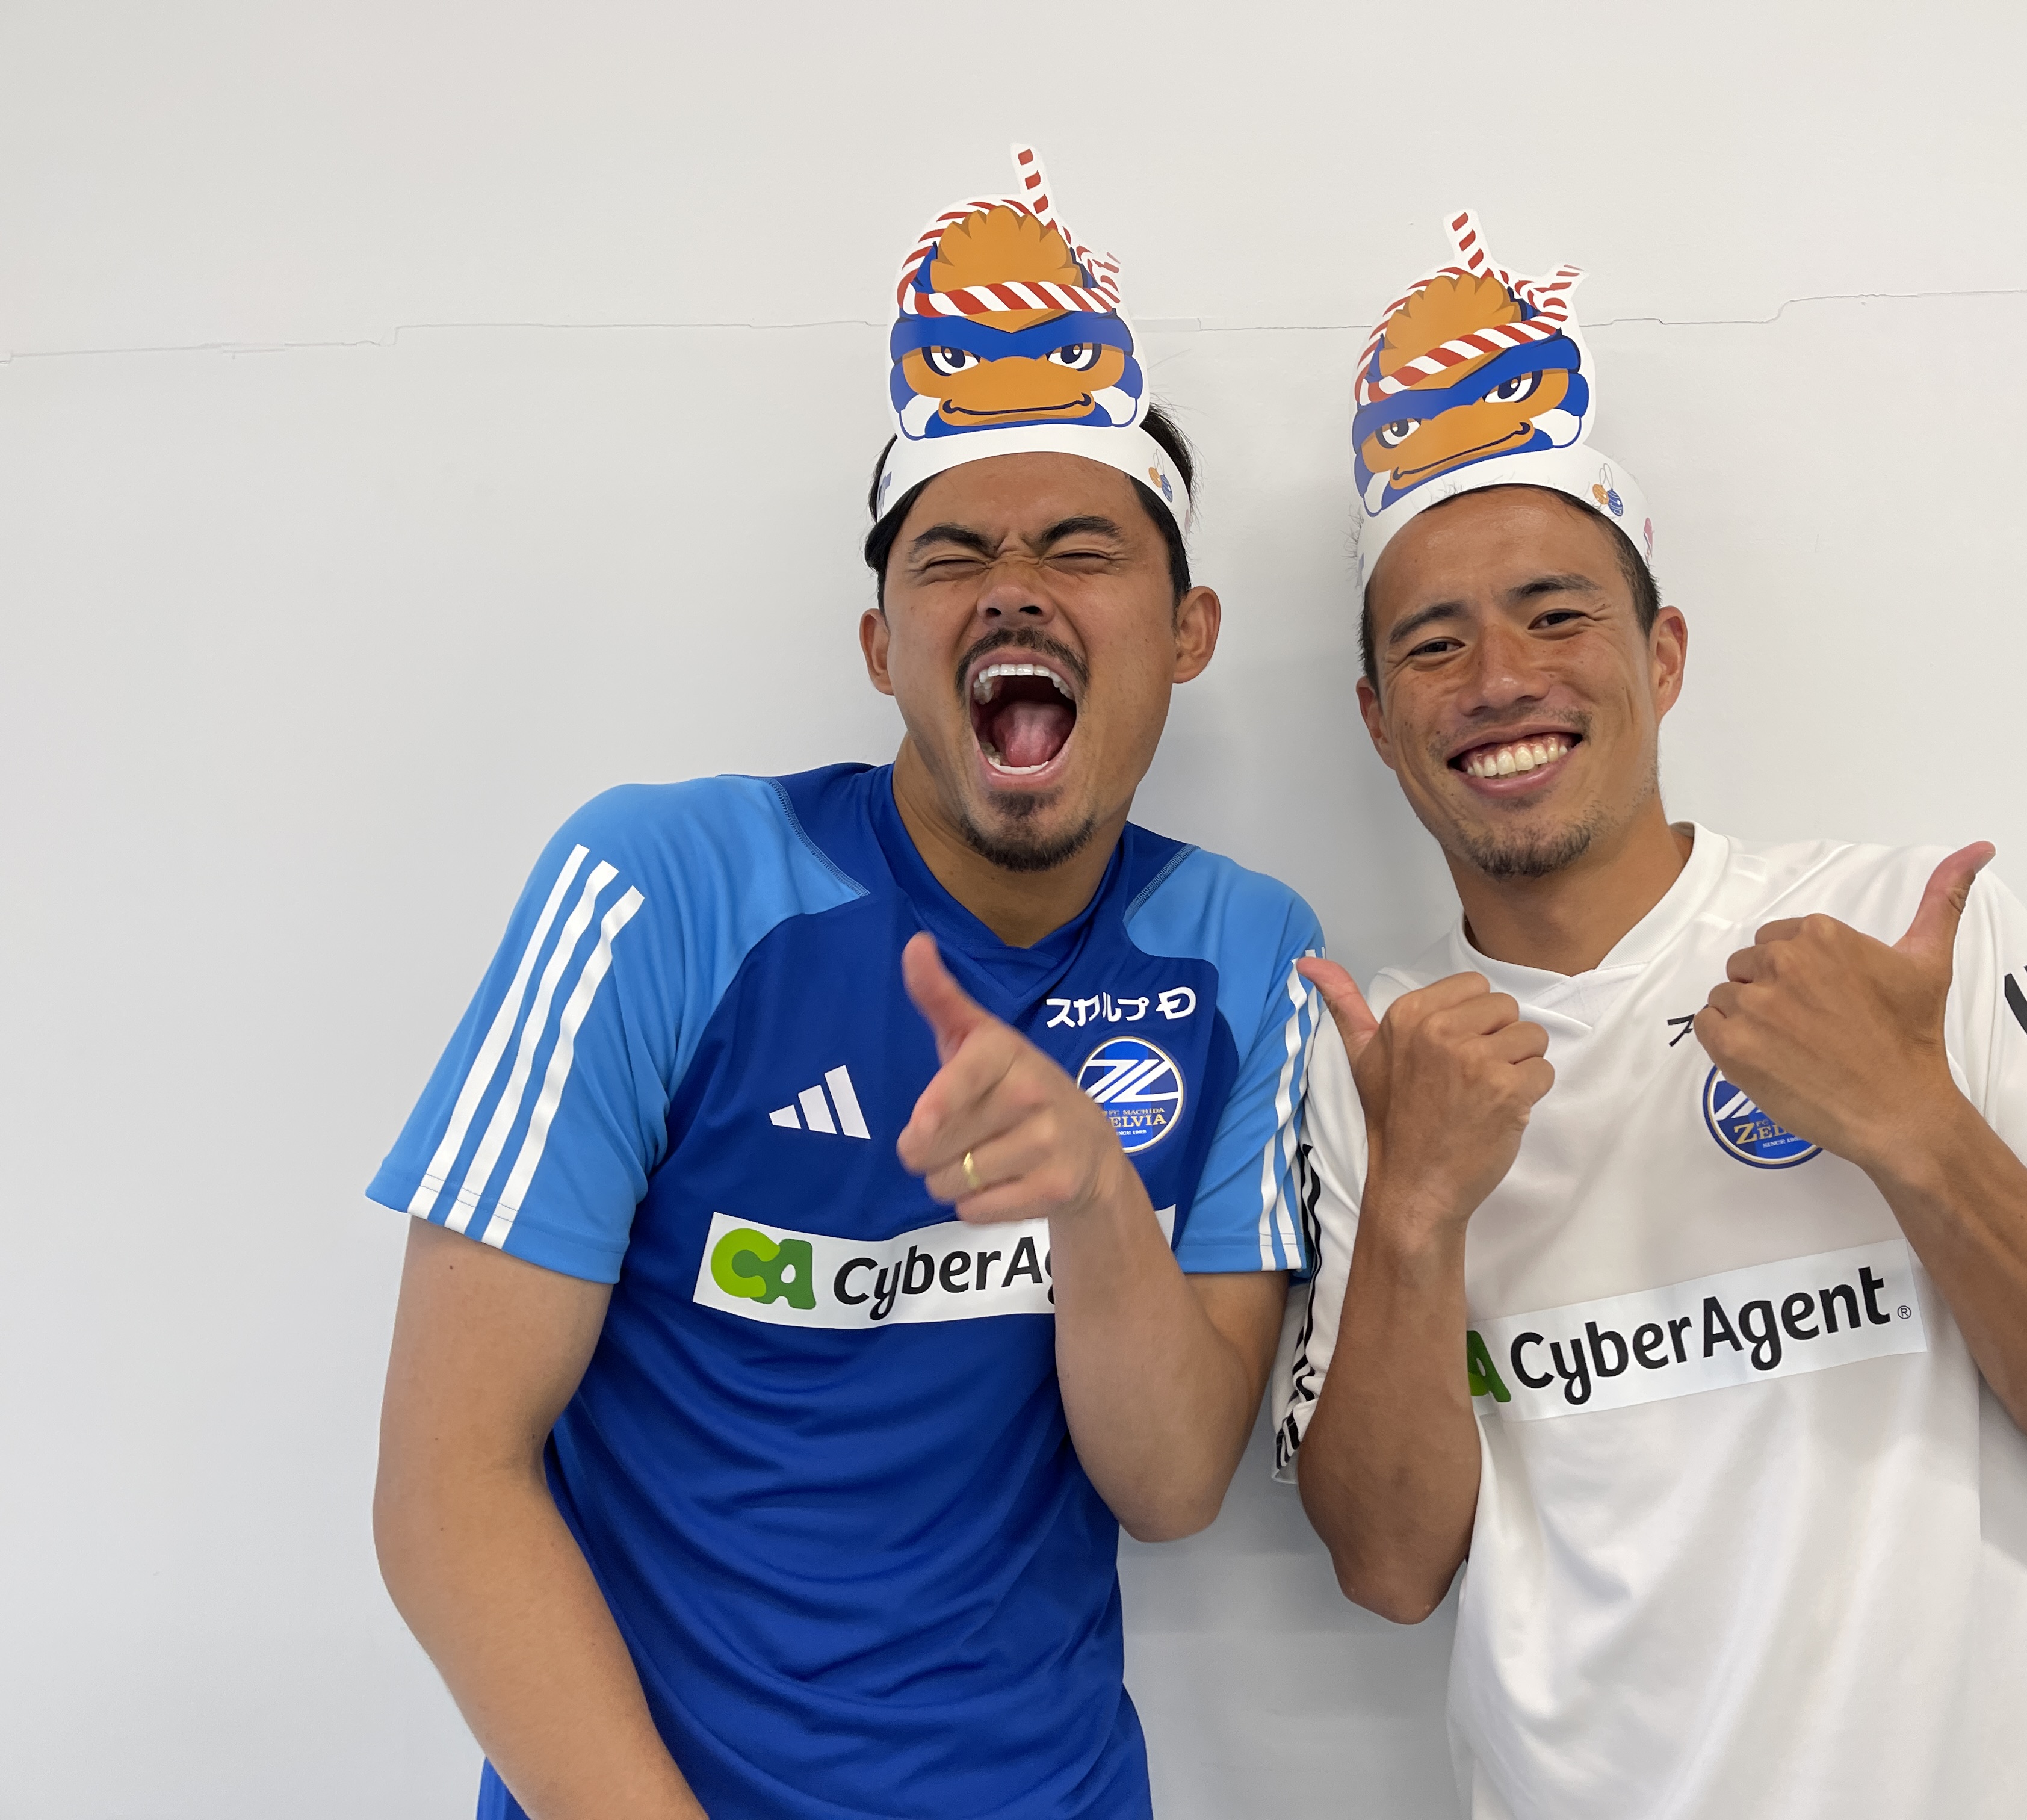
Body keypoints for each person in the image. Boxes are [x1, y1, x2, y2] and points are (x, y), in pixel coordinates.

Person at [368, 147, 1321, 1820]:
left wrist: (1096, 1199)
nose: (1014, 587)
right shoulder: (662, 888)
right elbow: (448, 1486)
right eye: (951, 556)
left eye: (1083, 547)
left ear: (1189, 632)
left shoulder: (1247, 949)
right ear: (882, 647)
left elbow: (1171, 1485)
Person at [1275, 212, 2027, 1819]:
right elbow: (1389, 1568)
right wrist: (1418, 1211)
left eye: (1557, 615)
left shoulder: (1907, 935)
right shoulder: (1365, 1053)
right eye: (1434, 646)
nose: (1500, 677)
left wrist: (1914, 1129)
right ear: (1381, 724)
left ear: (1662, 657)